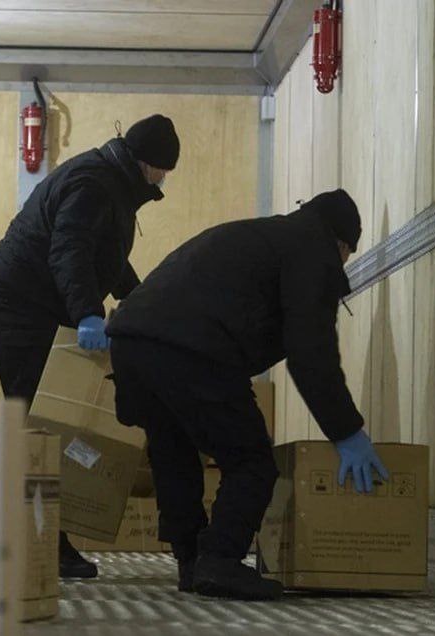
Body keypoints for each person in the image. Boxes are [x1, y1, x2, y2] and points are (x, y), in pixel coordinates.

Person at [106, 189, 389, 599]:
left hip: (131, 342)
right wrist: (346, 431)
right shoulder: (313, 252)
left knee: (174, 450)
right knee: (252, 460)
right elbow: (310, 352)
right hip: (190, 347)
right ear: (342, 245)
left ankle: (191, 560)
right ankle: (219, 559)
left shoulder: (267, 236)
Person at [0, 114, 180, 579]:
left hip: (33, 309)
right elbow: (69, 249)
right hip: (17, 310)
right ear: (149, 163)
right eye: (163, 171)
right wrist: (88, 312)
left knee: (41, 426)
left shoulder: (112, 183)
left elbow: (107, 256)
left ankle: (41, 541)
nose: (163, 181)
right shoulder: (93, 184)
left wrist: (141, 301)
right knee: (41, 427)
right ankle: (43, 545)